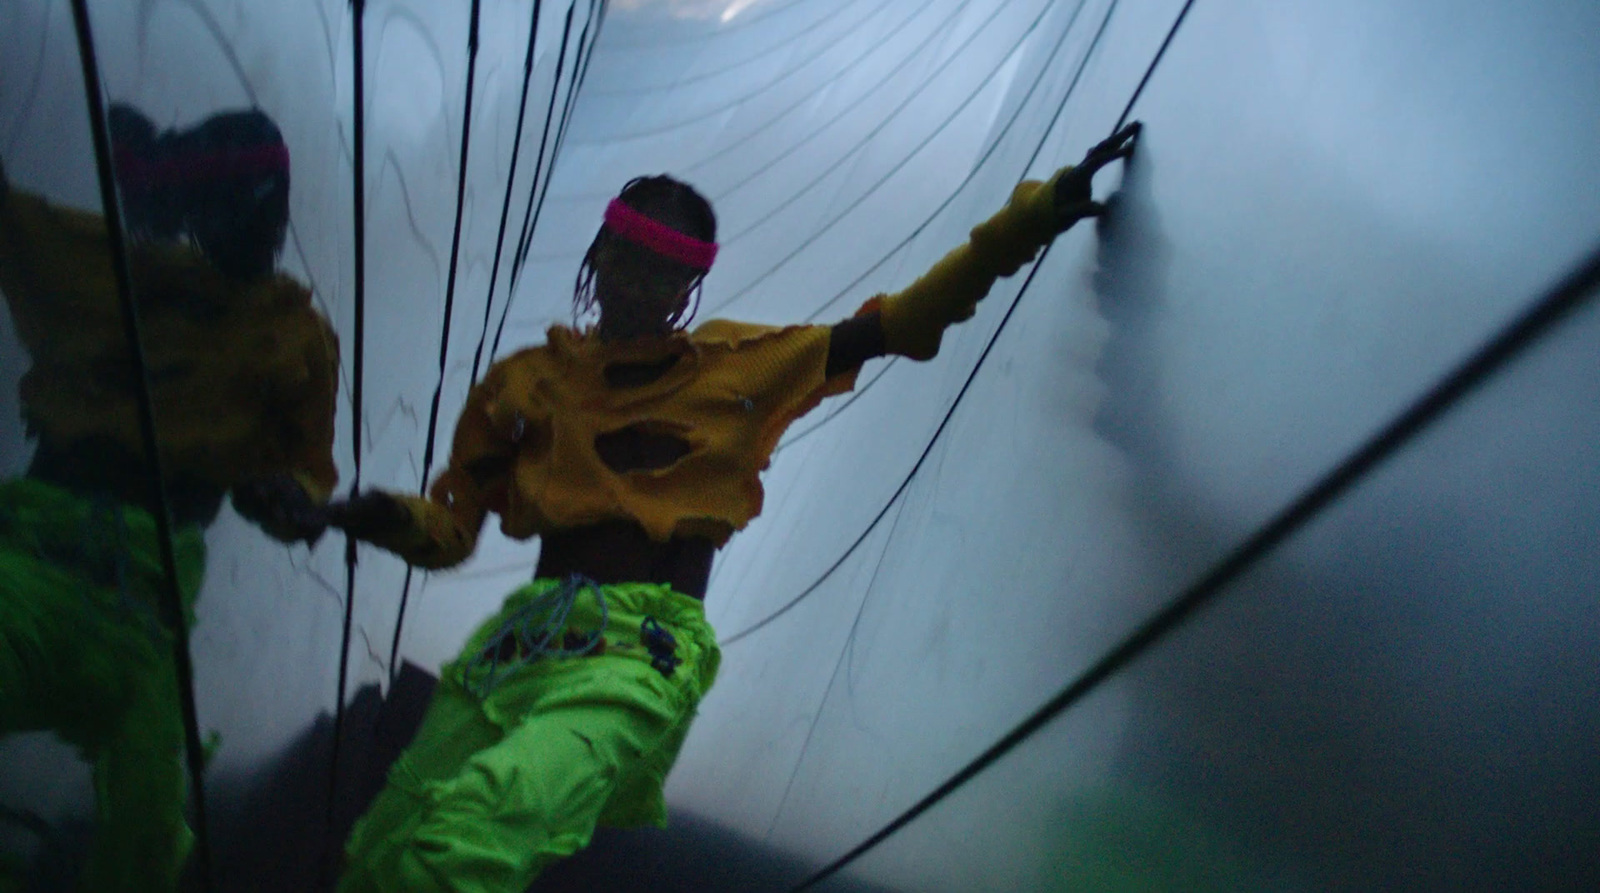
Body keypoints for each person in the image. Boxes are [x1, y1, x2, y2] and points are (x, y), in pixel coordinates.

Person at [323, 122, 1141, 891]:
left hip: (632, 654)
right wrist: (374, 518)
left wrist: (1029, 221)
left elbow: (898, 323)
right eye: (626, 254)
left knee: (469, 832)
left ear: (690, 282)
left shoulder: (741, 367)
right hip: (517, 644)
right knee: (387, 846)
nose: (638, 281)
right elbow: (450, 528)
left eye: (663, 267)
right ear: (598, 252)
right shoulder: (530, 382)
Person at [0, 105, 338, 891]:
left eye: (269, 208)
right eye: (251, 206)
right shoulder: (122, 274)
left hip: (140, 622)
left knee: (149, 827)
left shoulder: (292, 336)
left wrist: (290, 497)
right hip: (43, 578)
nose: (266, 229)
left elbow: (308, 475)